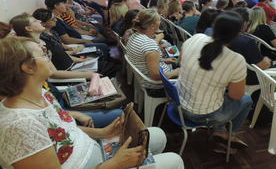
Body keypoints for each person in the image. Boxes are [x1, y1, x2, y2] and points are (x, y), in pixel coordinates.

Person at [0, 37, 184, 169]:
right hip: (96, 163)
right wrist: (115, 164)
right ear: (28, 67)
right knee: (175, 161)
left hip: (91, 148)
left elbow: (65, 130)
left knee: (158, 135)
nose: (48, 55)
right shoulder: (20, 125)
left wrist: (102, 132)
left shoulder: (40, 93)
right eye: (43, 53)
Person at [176, 12, 252, 154]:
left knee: (219, 95)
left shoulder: (196, 38)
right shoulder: (236, 60)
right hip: (200, 114)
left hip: (177, 103)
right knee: (246, 99)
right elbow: (236, 96)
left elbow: (179, 62)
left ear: (213, 26)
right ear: (237, 35)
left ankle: (220, 130)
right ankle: (228, 136)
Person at [228, 7, 276, 86]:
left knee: (270, 61)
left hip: (238, 71)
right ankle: (271, 91)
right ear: (244, 23)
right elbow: (264, 65)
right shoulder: (249, 40)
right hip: (251, 74)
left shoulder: (226, 38)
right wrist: (266, 62)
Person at [126, 9, 179, 97]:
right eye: (158, 20)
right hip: (158, 84)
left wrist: (164, 60)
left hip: (147, 79)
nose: (160, 22)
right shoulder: (149, 45)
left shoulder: (133, 36)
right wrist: (174, 73)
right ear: (152, 26)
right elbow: (156, 76)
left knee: (177, 64)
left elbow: (144, 59)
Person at [44, 0, 110, 60]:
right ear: (56, 6)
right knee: (103, 46)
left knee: (102, 40)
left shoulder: (60, 18)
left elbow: (72, 29)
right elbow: (67, 40)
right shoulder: (56, 22)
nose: (65, 6)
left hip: (80, 40)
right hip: (76, 44)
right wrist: (85, 40)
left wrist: (87, 33)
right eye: (63, 4)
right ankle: (103, 65)